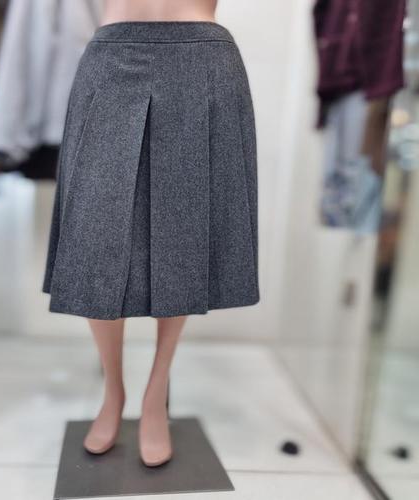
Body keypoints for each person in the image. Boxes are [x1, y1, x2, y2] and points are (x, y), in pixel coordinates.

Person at [42, 0, 259, 467]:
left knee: (185, 227)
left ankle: (156, 390)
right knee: (94, 235)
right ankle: (113, 389)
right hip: (112, 57)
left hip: (202, 59)